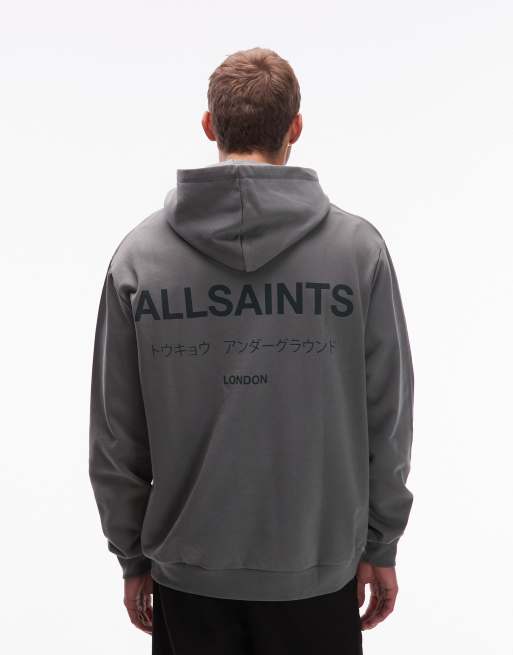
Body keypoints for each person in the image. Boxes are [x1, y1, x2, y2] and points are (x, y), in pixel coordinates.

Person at [88, 47, 415, 654]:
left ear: (209, 126)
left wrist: (132, 555)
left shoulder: (140, 258)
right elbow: (387, 418)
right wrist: (381, 543)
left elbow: (116, 433)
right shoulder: (357, 251)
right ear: (296, 127)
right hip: (316, 570)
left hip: (188, 575)